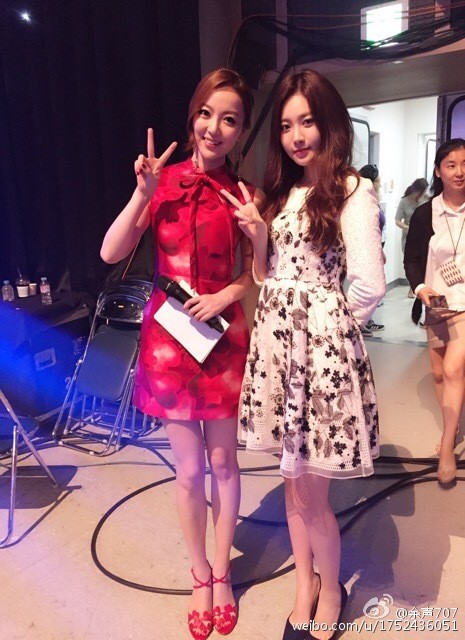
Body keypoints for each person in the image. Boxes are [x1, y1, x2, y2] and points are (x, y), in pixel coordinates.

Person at [221, 70, 385, 640]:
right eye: (287, 125)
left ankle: (331, 589)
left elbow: (369, 285)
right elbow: (267, 278)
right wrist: (256, 236)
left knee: (312, 492)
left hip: (319, 360)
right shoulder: (282, 194)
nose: (296, 136)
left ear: (328, 123)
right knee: (291, 481)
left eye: (307, 122)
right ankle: (304, 585)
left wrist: (327, 330)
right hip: (278, 355)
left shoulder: (352, 190)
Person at [101, 68, 262, 639]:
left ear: (241, 131)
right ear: (193, 115)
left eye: (230, 119)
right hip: (170, 343)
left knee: (225, 464)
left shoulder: (245, 195)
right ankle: (199, 574)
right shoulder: (161, 182)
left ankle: (222, 573)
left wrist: (227, 293)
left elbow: (256, 273)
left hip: (221, 340)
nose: (215, 128)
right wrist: (142, 194)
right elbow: (110, 251)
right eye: (207, 113)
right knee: (190, 470)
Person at [404, 138, 465, 489]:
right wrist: (420, 288)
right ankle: (451, 429)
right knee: (440, 374)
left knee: (455, 369)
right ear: (439, 171)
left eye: (464, 164)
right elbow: (412, 259)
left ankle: (446, 448)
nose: (459, 171)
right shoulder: (425, 213)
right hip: (437, 302)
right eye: (451, 165)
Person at [358, 164, 386, 335]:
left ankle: (366, 320)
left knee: (375, 287)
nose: (380, 184)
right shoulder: (362, 200)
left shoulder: (373, 198)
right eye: (378, 181)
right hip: (366, 248)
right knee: (371, 286)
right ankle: (358, 322)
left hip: (375, 246)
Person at [395, 177, 429, 298]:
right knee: (411, 263)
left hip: (424, 236)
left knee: (423, 262)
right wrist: (407, 227)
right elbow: (397, 220)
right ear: (415, 189)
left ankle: (419, 288)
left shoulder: (426, 198)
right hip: (409, 237)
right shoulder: (404, 201)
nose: (421, 195)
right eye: (420, 192)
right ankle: (412, 287)